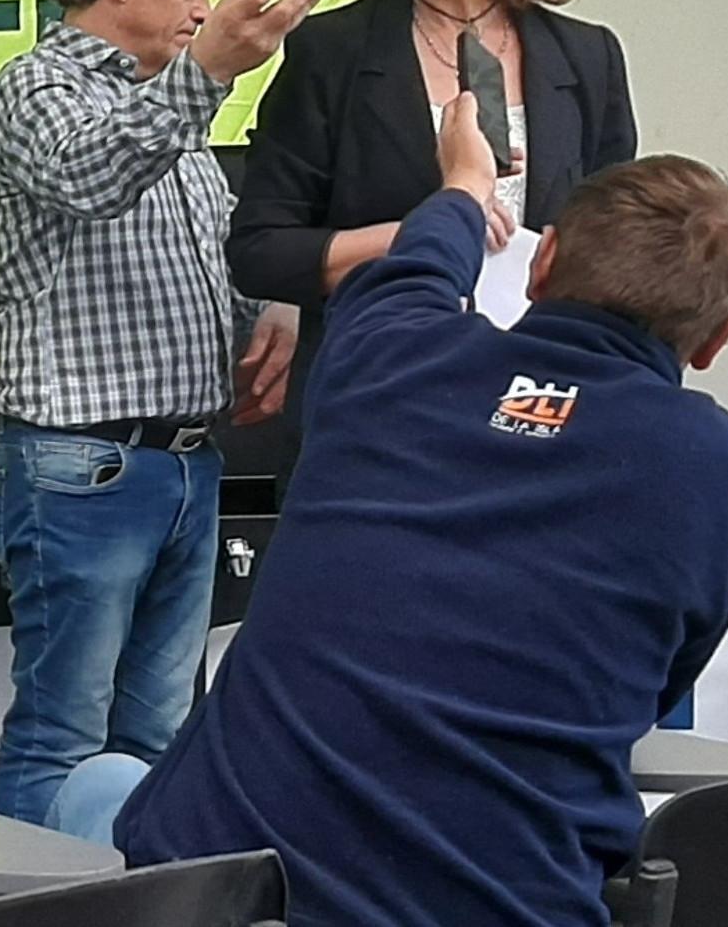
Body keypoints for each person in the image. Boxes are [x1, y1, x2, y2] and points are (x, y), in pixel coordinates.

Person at [60, 107, 728, 927]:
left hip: (230, 892)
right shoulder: (707, 466)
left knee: (96, 784)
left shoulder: (393, 354)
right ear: (712, 342)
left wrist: (464, 184)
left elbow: (416, 265)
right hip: (508, 906)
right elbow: (652, 688)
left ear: (542, 260)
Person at [0, 0, 315, 830]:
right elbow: (94, 173)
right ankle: (32, 898)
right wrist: (206, 71)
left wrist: (268, 306)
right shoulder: (35, 88)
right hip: (81, 463)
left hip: (183, 461)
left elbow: (204, 244)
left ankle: (135, 893)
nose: (202, 9)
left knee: (161, 739)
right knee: (60, 733)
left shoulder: (168, 108)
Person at [230, 0, 632, 440]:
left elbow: (619, 254)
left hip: (539, 418)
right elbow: (259, 251)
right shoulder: (332, 50)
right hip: (381, 414)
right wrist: (431, 230)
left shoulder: (587, 58)